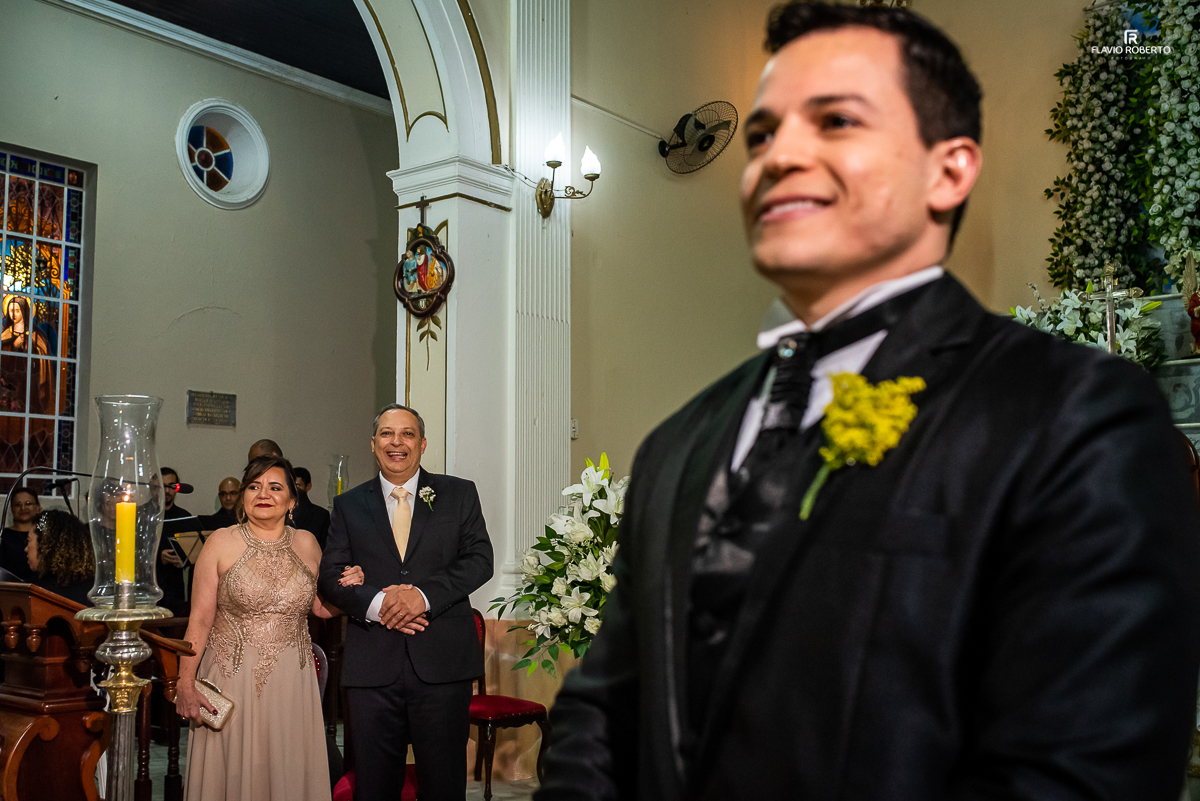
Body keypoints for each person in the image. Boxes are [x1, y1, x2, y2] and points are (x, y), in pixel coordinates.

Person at [535, 5, 1200, 801]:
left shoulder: (1076, 414)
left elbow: (1079, 772)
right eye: (762, 136)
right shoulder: (677, 444)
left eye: (837, 121)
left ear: (948, 170)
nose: (779, 157)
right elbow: (600, 712)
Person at [318, 404, 494, 801]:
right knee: (375, 786)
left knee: (443, 784)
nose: (396, 442)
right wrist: (381, 605)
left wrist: (421, 596)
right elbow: (330, 576)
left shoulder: (458, 493)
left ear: (423, 443)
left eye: (407, 434)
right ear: (373, 443)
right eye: (386, 434)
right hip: (372, 667)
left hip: (442, 663)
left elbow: (480, 560)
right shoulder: (349, 505)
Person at [175, 455, 355, 800]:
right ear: (243, 496)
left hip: (293, 682)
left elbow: (319, 606)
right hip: (232, 678)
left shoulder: (307, 543)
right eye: (254, 486)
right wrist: (185, 682)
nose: (263, 494)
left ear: (292, 501)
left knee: (287, 771)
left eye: (275, 487)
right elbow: (199, 618)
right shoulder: (220, 542)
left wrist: (350, 587)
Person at [25, 509, 93, 605]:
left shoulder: (34, 592)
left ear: (45, 545)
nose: (26, 549)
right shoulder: (94, 589)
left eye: (29, 540)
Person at [156, 466, 192, 614]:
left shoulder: (185, 517)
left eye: (172, 486)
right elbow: (133, 551)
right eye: (162, 486)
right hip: (150, 590)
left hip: (176, 591)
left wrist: (185, 559)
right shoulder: (143, 516)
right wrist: (159, 557)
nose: (166, 491)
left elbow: (195, 552)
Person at [1, 487, 40, 580]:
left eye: (28, 503)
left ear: (38, 507)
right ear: (11, 509)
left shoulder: (45, 535)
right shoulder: (2, 535)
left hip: (40, 589)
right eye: (17, 504)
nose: (23, 508)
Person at [291, 467, 331, 548]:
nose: (295, 490)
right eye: (292, 485)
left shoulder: (321, 515)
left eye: (298, 486)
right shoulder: (281, 511)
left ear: (308, 486)